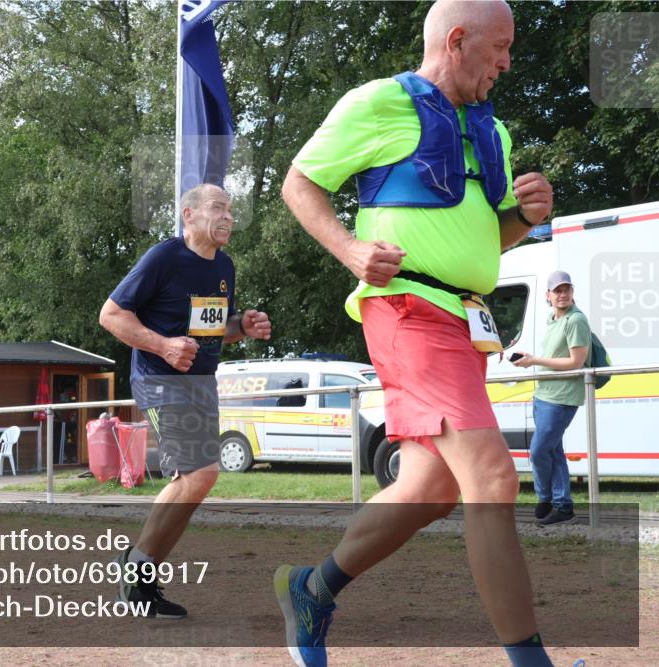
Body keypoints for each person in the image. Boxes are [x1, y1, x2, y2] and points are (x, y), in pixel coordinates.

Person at [279, 1, 559, 666]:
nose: (508, 62)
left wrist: (523, 213)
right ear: (458, 40)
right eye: (501, 47)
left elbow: (489, 237)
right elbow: (300, 184)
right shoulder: (378, 103)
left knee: (431, 487)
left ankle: (311, 588)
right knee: (492, 475)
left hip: (467, 325)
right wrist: (349, 249)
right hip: (406, 308)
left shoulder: (494, 132)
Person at [99, 183, 271, 618]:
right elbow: (111, 315)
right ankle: (137, 571)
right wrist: (163, 346)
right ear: (188, 214)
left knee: (199, 479)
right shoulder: (164, 258)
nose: (228, 216)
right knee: (198, 474)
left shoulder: (225, 267)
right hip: (160, 379)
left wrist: (242, 326)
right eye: (218, 207)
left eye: (231, 210)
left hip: (201, 383)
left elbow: (215, 330)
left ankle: (139, 569)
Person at [511, 270, 590, 527]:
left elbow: (575, 362)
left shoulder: (575, 320)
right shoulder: (553, 319)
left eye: (567, 289)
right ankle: (559, 504)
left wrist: (535, 360)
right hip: (544, 394)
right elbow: (556, 355)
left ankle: (548, 499)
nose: (563, 294)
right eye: (558, 290)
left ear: (572, 292)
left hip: (562, 397)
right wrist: (532, 358)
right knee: (554, 451)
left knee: (538, 451)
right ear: (548, 295)